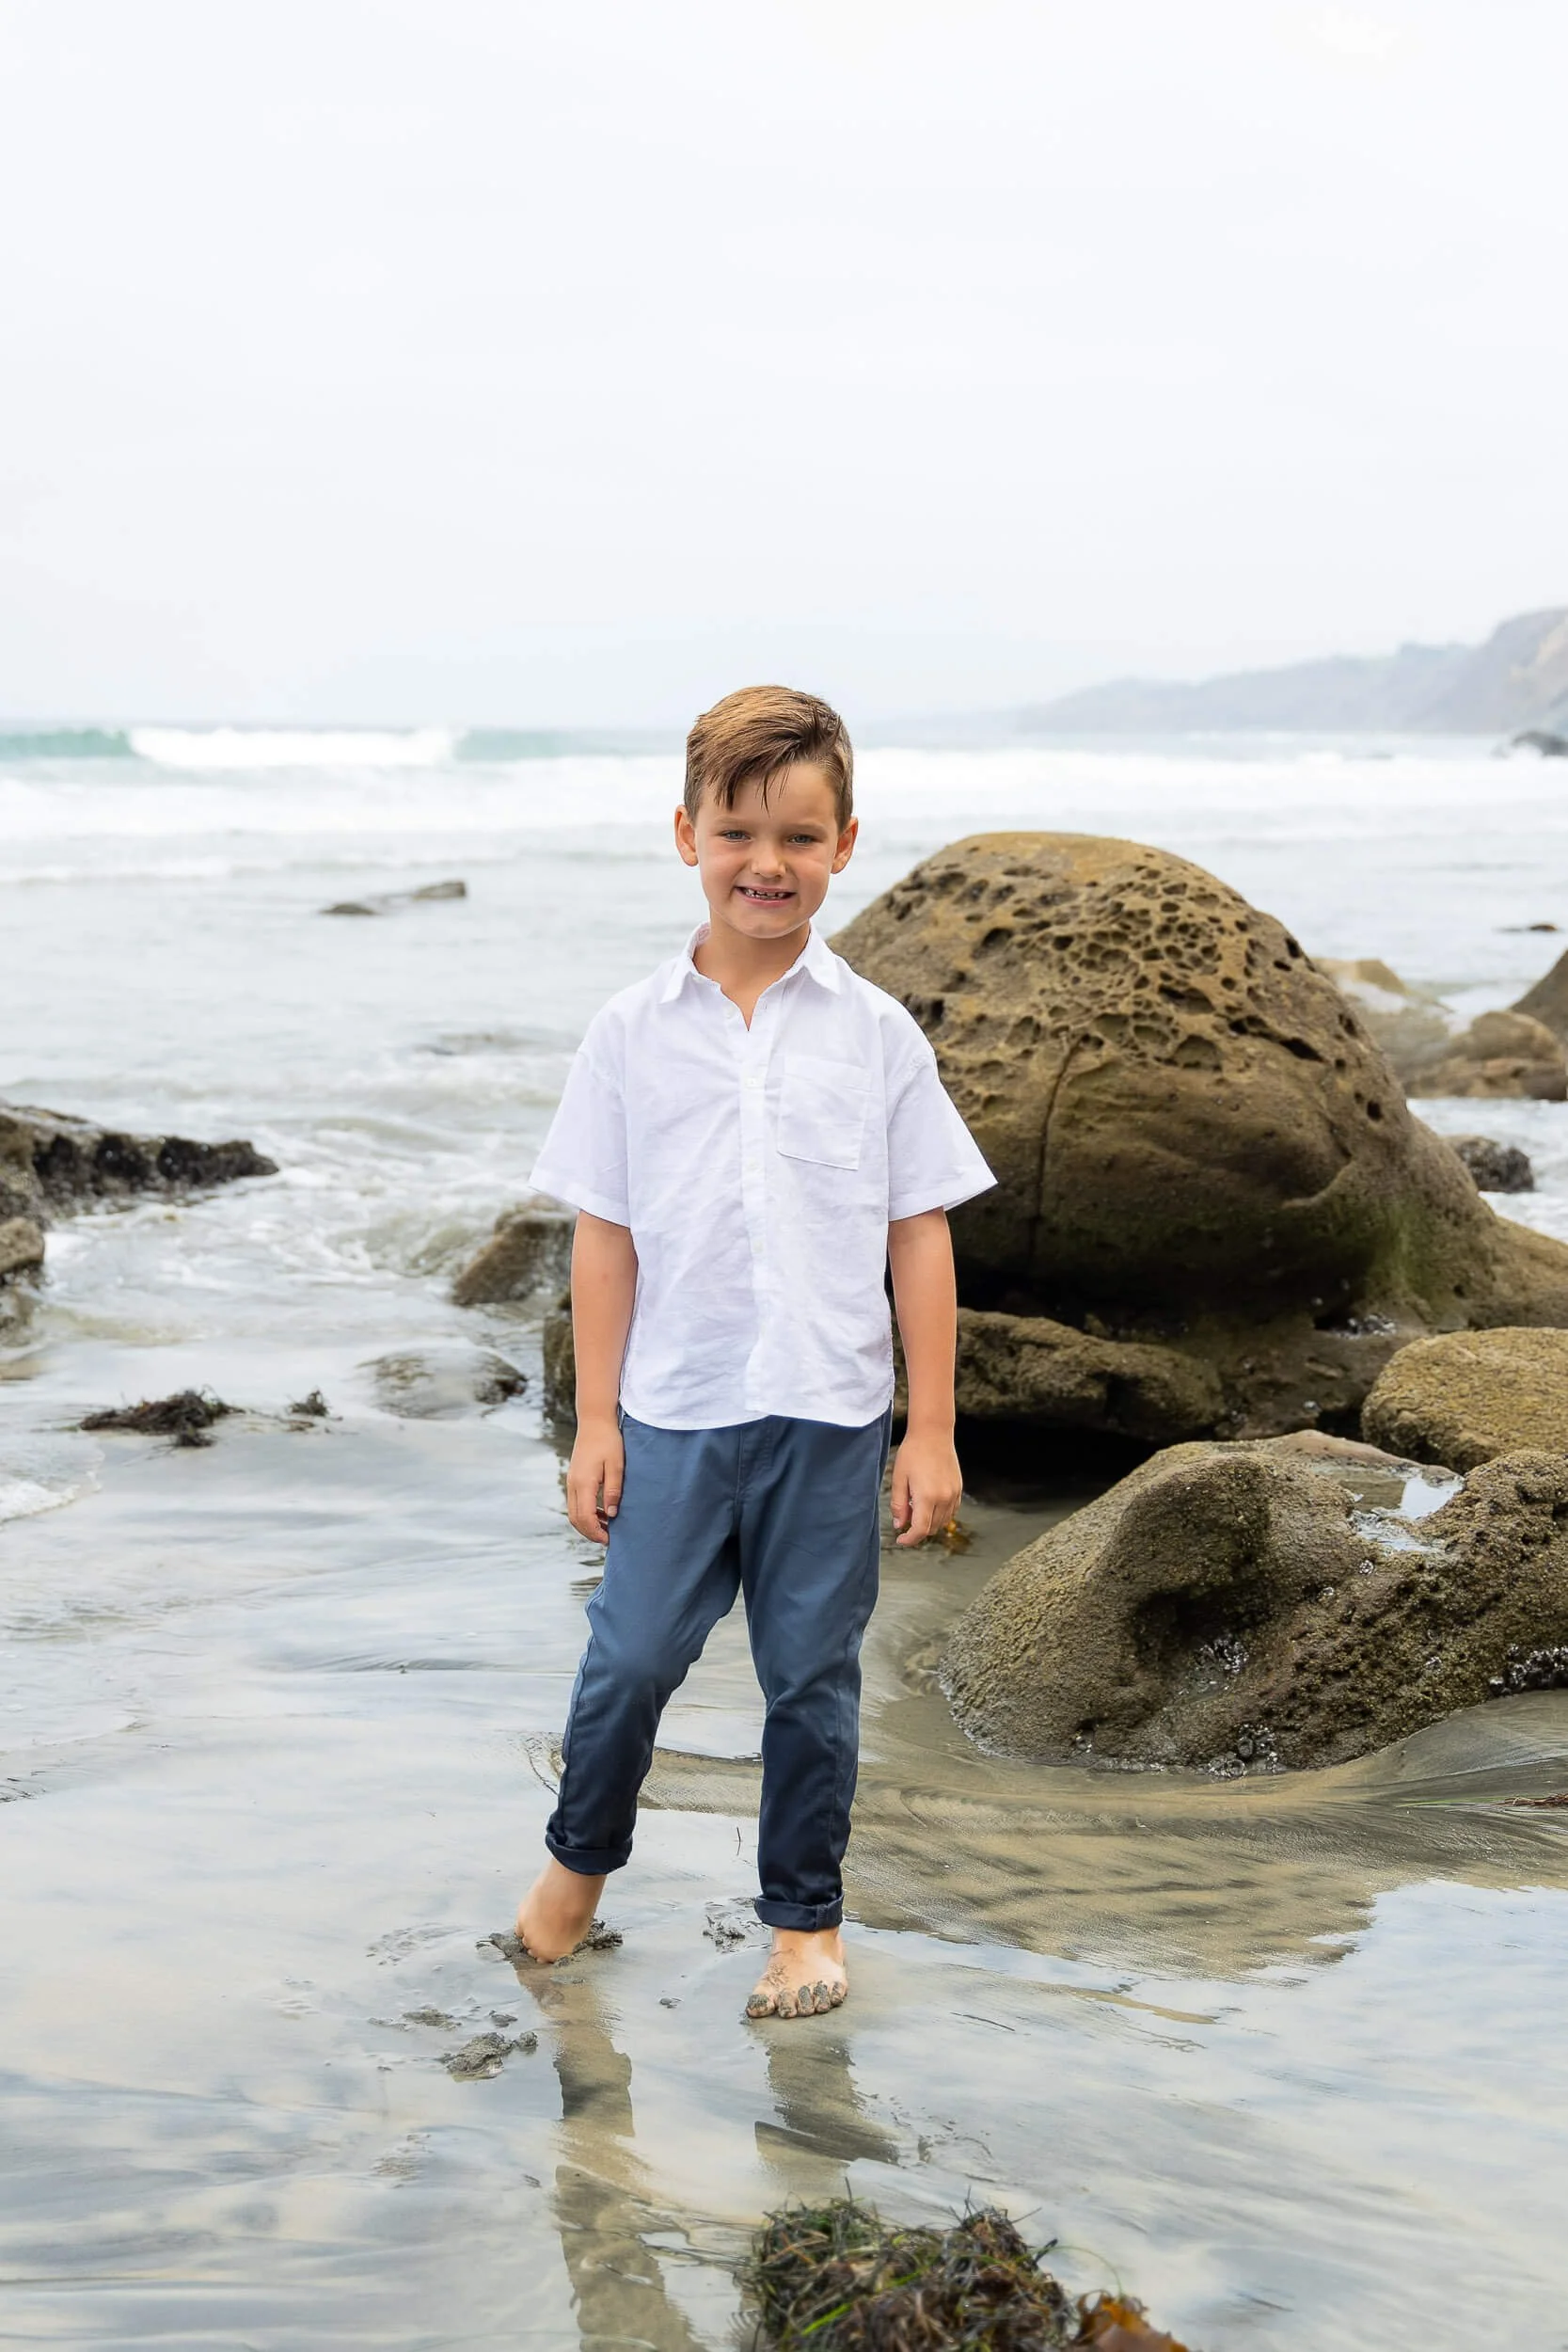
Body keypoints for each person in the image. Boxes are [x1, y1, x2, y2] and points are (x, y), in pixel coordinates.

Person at [515, 684, 994, 2019]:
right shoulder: (628, 1031)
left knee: (811, 1683)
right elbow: (602, 1239)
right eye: (737, 834)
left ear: (844, 843)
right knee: (627, 1663)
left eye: (796, 837)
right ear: (685, 836)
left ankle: (804, 1926)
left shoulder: (875, 1035)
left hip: (829, 1417)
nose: (765, 866)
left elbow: (918, 1237)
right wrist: (596, 1420)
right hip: (672, 1413)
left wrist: (933, 1427)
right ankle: (573, 1873)